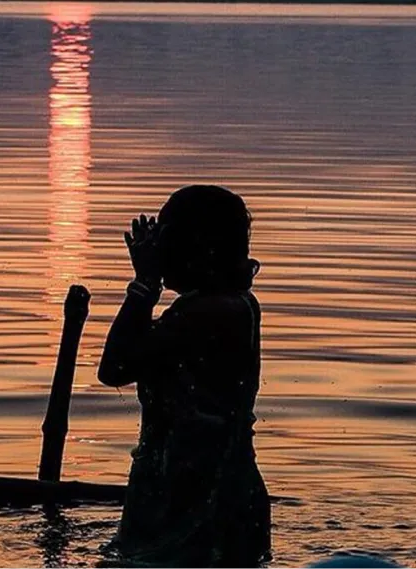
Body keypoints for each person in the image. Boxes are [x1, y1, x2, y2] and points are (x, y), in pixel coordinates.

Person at [98, 185, 271, 568]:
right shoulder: (234, 305)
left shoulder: (208, 313)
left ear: (193, 246)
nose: (156, 247)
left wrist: (145, 284)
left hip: (198, 508)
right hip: (204, 496)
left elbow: (115, 368)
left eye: (165, 237)